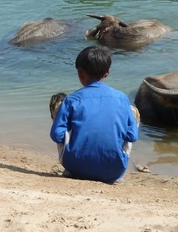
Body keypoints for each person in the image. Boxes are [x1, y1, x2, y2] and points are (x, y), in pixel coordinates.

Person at [50, 45, 138, 183]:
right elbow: (132, 136)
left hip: (75, 167)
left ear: (80, 74)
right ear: (107, 72)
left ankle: (72, 166)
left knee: (60, 110)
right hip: (114, 171)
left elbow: (57, 135)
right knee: (133, 113)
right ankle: (114, 167)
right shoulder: (122, 98)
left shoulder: (71, 100)